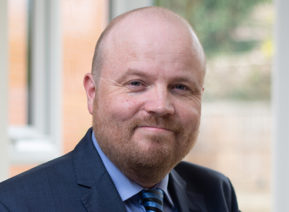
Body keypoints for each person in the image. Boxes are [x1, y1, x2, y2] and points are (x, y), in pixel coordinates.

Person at [0, 6, 240, 212]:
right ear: (92, 93)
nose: (160, 106)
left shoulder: (216, 194)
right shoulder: (15, 204)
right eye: (136, 83)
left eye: (180, 87)